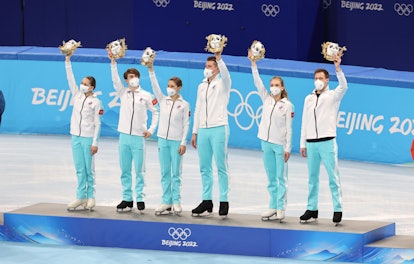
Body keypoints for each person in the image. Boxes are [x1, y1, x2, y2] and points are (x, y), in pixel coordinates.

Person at [108, 50, 159, 213]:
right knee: (125, 170)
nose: (132, 79)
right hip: (124, 136)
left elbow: (156, 112)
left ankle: (140, 198)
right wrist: (113, 62)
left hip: (138, 137)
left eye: (134, 76)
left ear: (138, 78)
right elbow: (115, 79)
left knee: (139, 170)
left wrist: (151, 129)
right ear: (126, 80)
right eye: (129, 77)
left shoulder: (146, 95)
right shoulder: (123, 93)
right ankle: (127, 198)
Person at [299, 54, 347, 224]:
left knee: (333, 177)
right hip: (311, 143)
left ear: (327, 81)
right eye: (316, 78)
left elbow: (344, 87)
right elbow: (304, 121)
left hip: (327, 142)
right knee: (312, 178)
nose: (318, 80)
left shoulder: (333, 96)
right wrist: (302, 143)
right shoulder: (308, 98)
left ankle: (337, 208)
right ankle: (312, 209)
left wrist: (338, 68)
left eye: (321, 78)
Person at [248, 49, 294, 222]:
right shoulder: (266, 99)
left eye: (276, 85)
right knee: (270, 177)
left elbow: (289, 128)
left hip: (280, 145)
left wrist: (288, 147)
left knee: (281, 177)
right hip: (265, 142)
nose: (273, 87)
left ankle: (281, 207)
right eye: (272, 84)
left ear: (282, 87)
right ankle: (272, 206)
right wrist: (253, 64)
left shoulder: (287, 105)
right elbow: (257, 82)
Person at [145, 58, 190, 215]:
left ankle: (176, 201)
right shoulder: (163, 100)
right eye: (168, 86)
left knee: (176, 173)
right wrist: (150, 69)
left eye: (172, 86)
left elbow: (186, 125)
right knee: (165, 172)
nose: (169, 89)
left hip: (176, 142)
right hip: (162, 140)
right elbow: (154, 84)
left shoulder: (184, 105)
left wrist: (183, 143)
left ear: (179, 88)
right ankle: (166, 201)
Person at [191, 48, 231, 217]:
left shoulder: (223, 83)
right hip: (203, 130)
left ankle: (224, 200)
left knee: (221, 166)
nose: (206, 68)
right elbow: (198, 108)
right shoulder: (201, 86)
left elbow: (227, 75)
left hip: (219, 127)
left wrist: (219, 58)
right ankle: (207, 200)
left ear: (216, 68)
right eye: (206, 65)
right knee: (204, 167)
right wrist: (195, 132)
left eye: (210, 66)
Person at [65, 52, 104, 211]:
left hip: (88, 138)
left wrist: (95, 142)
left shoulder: (96, 102)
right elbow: (70, 77)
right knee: (80, 168)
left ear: (92, 87)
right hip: (76, 137)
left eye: (85, 83)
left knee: (89, 169)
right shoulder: (77, 95)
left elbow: (97, 123)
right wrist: (67, 59)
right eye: (81, 83)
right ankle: (80, 196)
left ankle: (91, 196)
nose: (82, 85)